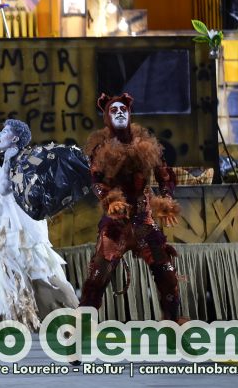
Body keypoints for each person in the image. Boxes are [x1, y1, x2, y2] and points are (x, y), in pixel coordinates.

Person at [0, 119, 78, 330]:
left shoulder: (30, 161)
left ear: (15, 138)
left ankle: (72, 319)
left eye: (4, 131)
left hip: (25, 233)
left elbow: (7, 188)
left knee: (43, 279)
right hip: (2, 232)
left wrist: (8, 161)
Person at [79, 93, 183, 321]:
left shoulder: (145, 145)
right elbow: (96, 181)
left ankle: (173, 325)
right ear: (106, 116)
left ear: (129, 114)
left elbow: (165, 176)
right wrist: (110, 200)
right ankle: (81, 332)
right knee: (97, 278)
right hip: (115, 225)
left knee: (167, 274)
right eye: (113, 110)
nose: (119, 112)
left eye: (122, 109)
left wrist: (165, 200)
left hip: (144, 223)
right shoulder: (101, 148)